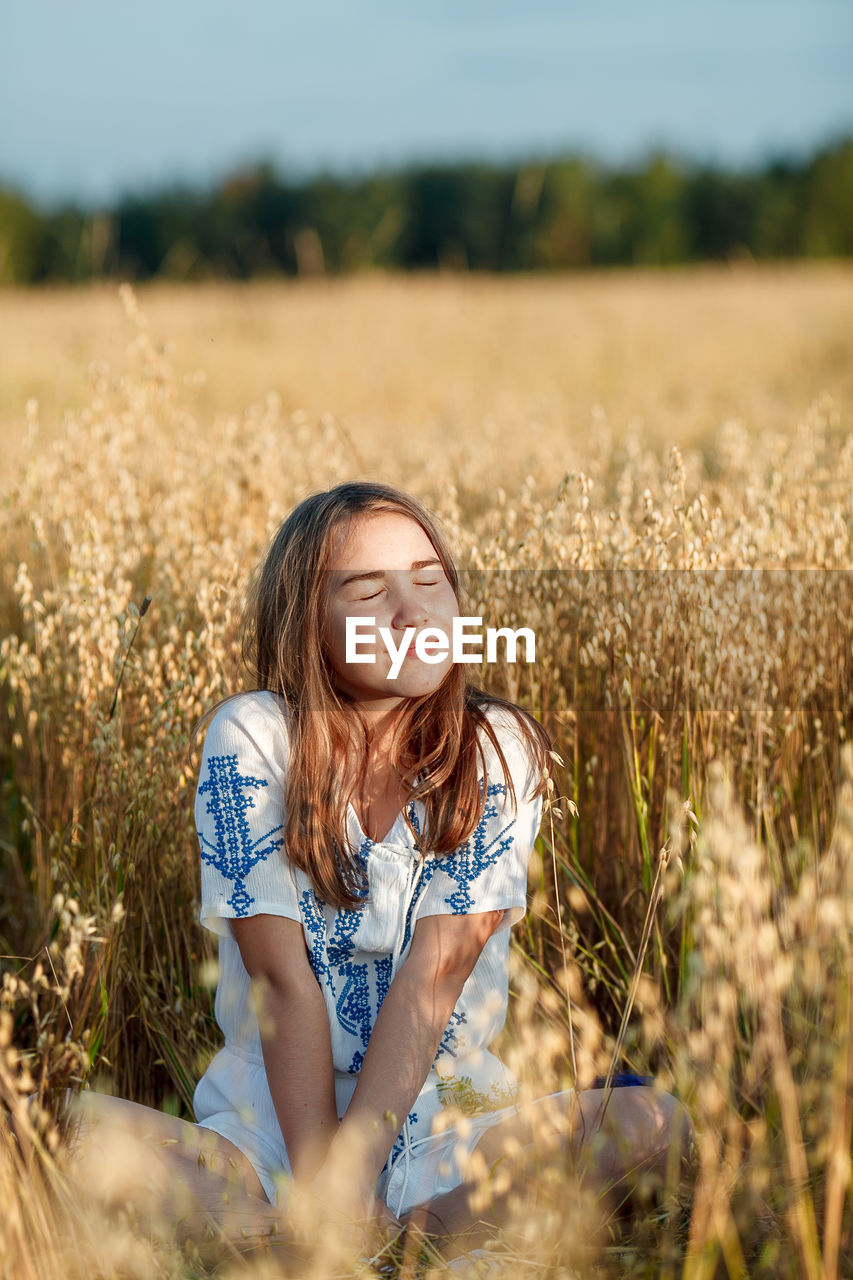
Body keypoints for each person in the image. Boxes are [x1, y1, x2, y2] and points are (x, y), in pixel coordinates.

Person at [67, 481, 689, 1265]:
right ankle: (303, 1234)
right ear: (306, 628)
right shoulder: (253, 737)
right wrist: (323, 1181)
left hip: (451, 1133)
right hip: (269, 1135)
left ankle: (382, 1240)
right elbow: (279, 983)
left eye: (430, 581)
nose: (413, 612)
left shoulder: (497, 747)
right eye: (368, 592)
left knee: (654, 1125)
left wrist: (356, 1184)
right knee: (38, 1126)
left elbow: (438, 968)